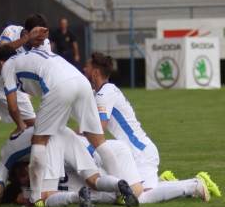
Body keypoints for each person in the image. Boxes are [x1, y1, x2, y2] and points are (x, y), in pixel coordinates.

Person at [0, 45, 122, 207]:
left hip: (58, 87)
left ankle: (36, 197)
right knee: (98, 141)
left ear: (1, 62)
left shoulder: (8, 66)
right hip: (81, 82)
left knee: (39, 140)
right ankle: (120, 189)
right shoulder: (30, 56)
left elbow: (12, 106)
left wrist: (20, 125)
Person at [83, 52, 222, 198]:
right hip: (134, 152)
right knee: (134, 192)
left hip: (141, 152)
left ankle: (195, 184)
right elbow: (90, 126)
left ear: (95, 72)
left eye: (86, 67)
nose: (84, 70)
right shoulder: (99, 93)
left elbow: (98, 129)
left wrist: (80, 143)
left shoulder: (105, 94)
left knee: (140, 197)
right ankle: (165, 181)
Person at [0, 14, 50, 203]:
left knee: (35, 128)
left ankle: (28, 177)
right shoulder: (11, 31)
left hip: (12, 83)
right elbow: (1, 51)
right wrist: (25, 40)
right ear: (28, 31)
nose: (41, 41)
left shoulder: (44, 44)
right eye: (37, 36)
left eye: (43, 36)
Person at [0, 126, 138, 207]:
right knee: (95, 180)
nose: (24, 175)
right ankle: (118, 184)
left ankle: (79, 196)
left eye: (22, 173)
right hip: (69, 135)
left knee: (46, 197)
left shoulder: (12, 158)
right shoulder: (27, 156)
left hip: (55, 139)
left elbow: (1, 192)